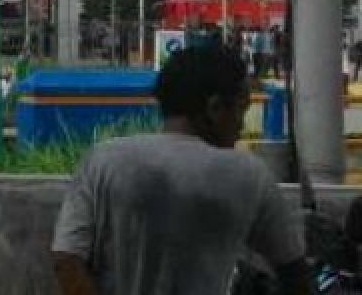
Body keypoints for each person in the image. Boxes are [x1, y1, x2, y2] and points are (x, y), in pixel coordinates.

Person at [52, 45, 309, 295]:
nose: (241, 125)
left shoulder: (103, 160)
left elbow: (66, 260)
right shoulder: (249, 175)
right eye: (242, 109)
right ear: (216, 108)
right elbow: (294, 272)